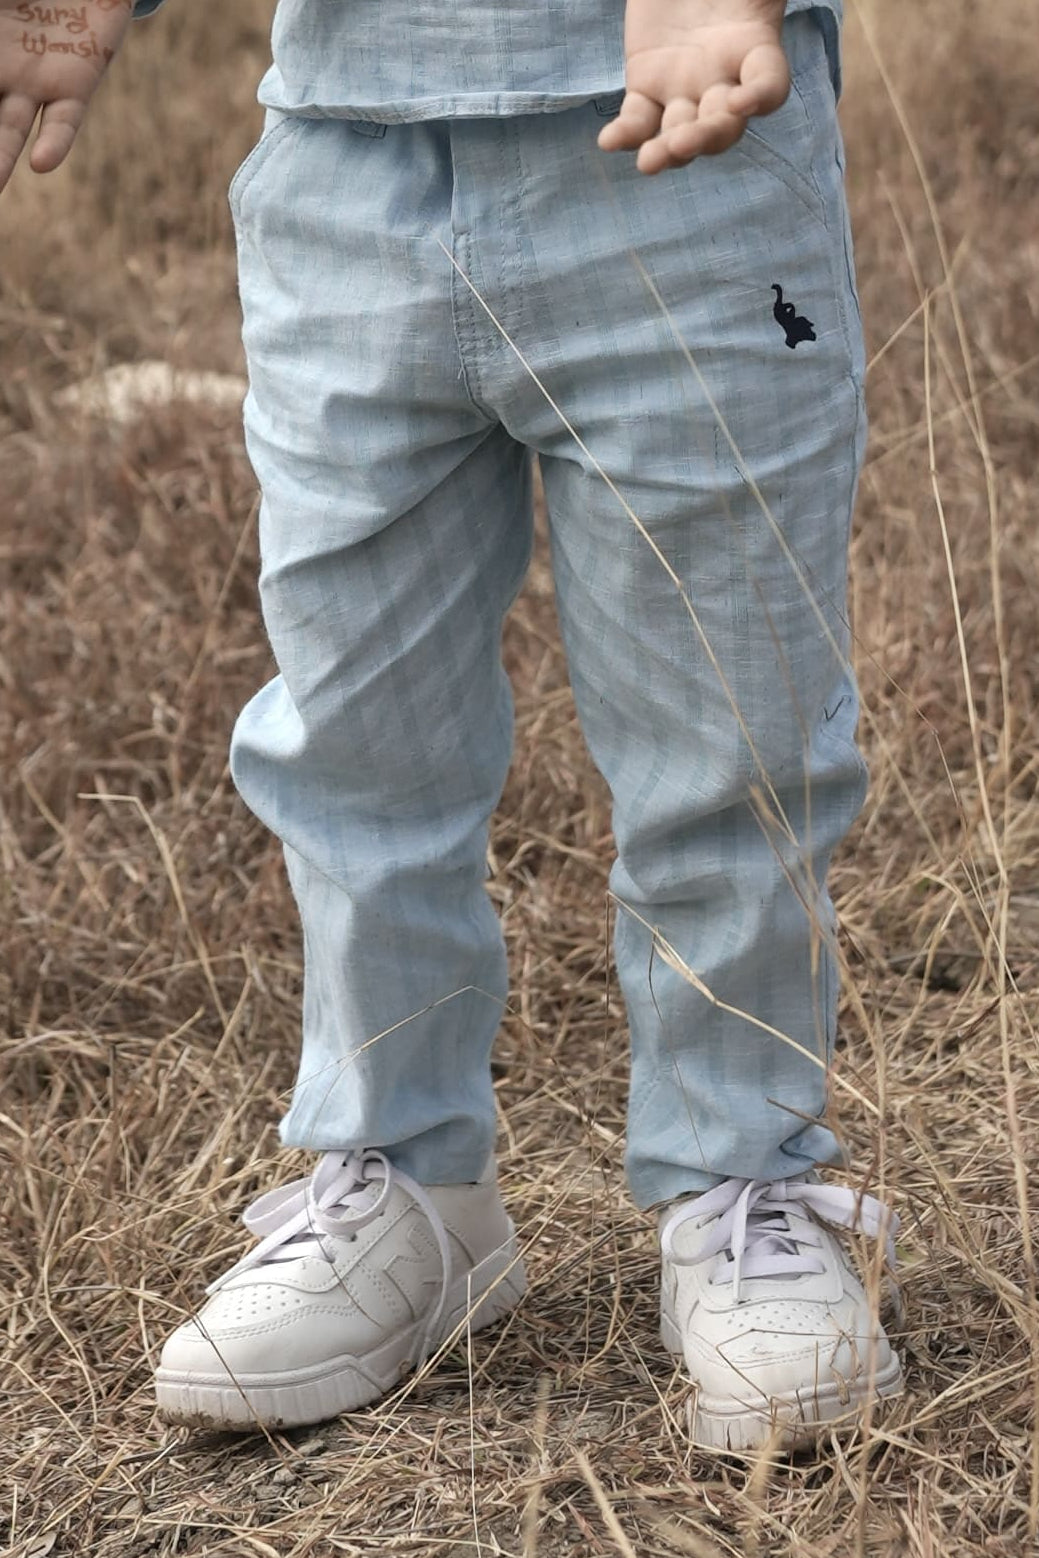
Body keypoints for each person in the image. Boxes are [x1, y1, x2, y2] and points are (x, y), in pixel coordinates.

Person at [0, 0, 903, 1452]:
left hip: (691, 134)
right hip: (349, 149)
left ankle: (750, 1180)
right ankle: (403, 1183)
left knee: (733, 729)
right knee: (353, 731)